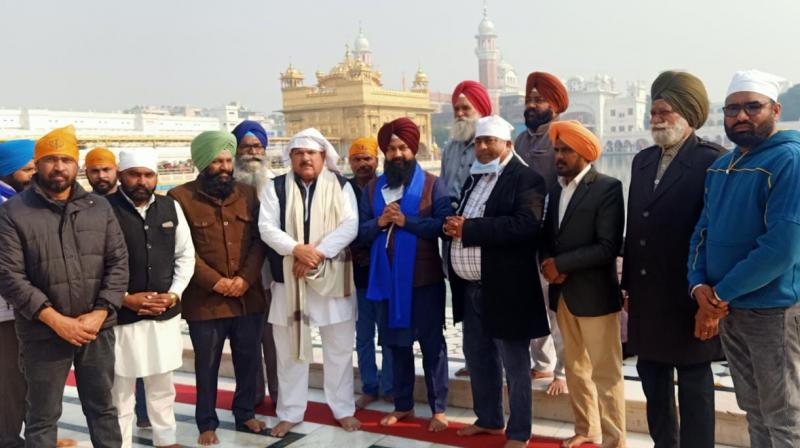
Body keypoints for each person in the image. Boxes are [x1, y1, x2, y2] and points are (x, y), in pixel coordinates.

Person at [688, 69, 800, 447]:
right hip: (731, 309)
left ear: (775, 110)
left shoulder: (789, 160)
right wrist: (698, 285)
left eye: (753, 107)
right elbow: (702, 230)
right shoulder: (721, 166)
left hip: (772, 309)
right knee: (753, 409)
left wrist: (718, 296)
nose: (741, 116)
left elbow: (781, 248)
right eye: (732, 108)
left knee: (784, 415)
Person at [0, 125, 128, 447]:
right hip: (42, 332)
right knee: (42, 417)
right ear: (38, 163)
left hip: (95, 329)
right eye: (50, 159)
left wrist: (100, 312)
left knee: (103, 410)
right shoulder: (14, 212)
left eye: (66, 159)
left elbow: (117, 264)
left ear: (77, 164)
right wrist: (55, 319)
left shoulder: (98, 208)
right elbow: (9, 275)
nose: (59, 167)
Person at [623, 70, 725, 448]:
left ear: (687, 114)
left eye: (664, 111)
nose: (657, 119)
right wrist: (628, 285)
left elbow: (718, 236)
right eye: (653, 112)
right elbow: (636, 227)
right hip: (648, 296)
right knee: (653, 381)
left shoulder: (712, 161)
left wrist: (712, 303)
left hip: (689, 295)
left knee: (696, 385)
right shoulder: (643, 161)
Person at [445, 115, 549, 448]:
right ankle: (489, 420)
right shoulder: (474, 179)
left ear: (507, 144)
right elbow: (466, 219)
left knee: (515, 365)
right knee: (479, 358)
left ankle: (519, 431)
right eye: (478, 141)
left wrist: (469, 230)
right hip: (471, 288)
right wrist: (451, 227)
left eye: (490, 140)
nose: (483, 147)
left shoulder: (526, 179)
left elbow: (525, 225)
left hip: (506, 289)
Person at [259, 128, 362, 437]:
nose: (305, 158)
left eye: (311, 153)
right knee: (289, 352)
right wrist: (296, 250)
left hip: (330, 279)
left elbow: (350, 225)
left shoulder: (340, 185)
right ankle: (290, 412)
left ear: (322, 157)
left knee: (339, 350)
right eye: (298, 153)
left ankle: (343, 408)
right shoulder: (274, 187)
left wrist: (316, 254)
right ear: (290, 157)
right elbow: (266, 227)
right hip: (289, 282)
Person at [169, 131, 267, 445]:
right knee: (207, 364)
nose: (224, 167)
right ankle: (206, 422)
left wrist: (244, 280)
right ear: (202, 163)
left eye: (227, 160)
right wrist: (217, 282)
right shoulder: (180, 197)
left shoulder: (248, 194)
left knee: (248, 359)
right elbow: (183, 250)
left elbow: (257, 242)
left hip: (246, 296)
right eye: (217, 161)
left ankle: (245, 412)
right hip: (205, 301)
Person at [358, 118, 451, 432]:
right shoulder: (373, 188)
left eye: (403, 148)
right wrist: (380, 223)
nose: (397, 154)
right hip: (387, 284)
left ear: (415, 150)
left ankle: (438, 409)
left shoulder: (432, 184)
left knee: (432, 347)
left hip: (425, 282)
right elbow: (358, 233)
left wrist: (406, 221)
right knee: (396, 346)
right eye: (391, 148)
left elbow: (442, 225)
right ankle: (404, 405)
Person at [539, 121, 625, 448]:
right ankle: (587, 429)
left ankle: (615, 440)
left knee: (605, 373)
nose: (558, 156)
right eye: (556, 150)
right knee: (575, 369)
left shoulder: (607, 187)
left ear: (584, 153)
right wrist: (548, 264)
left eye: (565, 150)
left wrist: (561, 265)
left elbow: (608, 245)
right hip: (562, 295)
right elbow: (547, 237)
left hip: (594, 295)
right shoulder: (554, 190)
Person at [108, 149, 195, 448]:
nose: (141, 181)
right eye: (134, 174)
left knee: (161, 383)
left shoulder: (171, 207)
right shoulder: (104, 209)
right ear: (121, 176)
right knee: (120, 389)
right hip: (121, 315)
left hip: (163, 313)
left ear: (156, 177)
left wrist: (174, 294)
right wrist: (124, 298)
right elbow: (92, 265)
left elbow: (186, 255)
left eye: (147, 175)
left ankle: (166, 440)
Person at [516, 71, 570, 392]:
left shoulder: (562, 137)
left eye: (539, 100)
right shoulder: (521, 141)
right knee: (531, 303)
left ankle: (562, 371)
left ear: (556, 106)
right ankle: (542, 364)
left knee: (556, 309)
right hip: (523, 237)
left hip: (553, 237)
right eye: (529, 100)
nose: (532, 105)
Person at [231, 120, 279, 409]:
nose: (252, 152)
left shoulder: (276, 184)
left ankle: (279, 393)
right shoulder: (229, 186)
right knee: (245, 343)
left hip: (271, 278)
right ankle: (251, 395)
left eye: (257, 146)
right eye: (246, 146)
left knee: (275, 342)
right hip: (240, 280)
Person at [347, 136, 394, 409]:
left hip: (382, 270)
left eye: (368, 159)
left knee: (387, 333)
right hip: (355, 276)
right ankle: (369, 385)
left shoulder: (386, 187)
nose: (363, 164)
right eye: (357, 159)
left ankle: (388, 385)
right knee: (363, 335)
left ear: (377, 161)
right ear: (349, 163)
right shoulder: (343, 191)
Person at [0, 139, 36, 448]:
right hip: (6, 310)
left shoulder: (15, 200)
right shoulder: (5, 206)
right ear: (8, 171)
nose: (34, 175)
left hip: (17, 307)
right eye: (27, 169)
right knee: (10, 379)